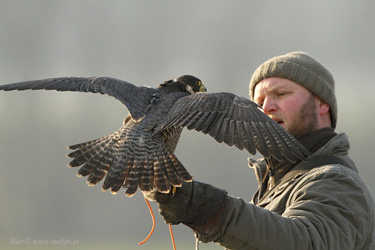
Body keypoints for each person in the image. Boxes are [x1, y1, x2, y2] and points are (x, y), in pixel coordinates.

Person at [145, 52, 375, 249]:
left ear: (322, 103)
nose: (266, 107)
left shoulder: (338, 182)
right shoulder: (276, 186)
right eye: (259, 101)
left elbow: (307, 243)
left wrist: (214, 210)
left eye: (281, 94)